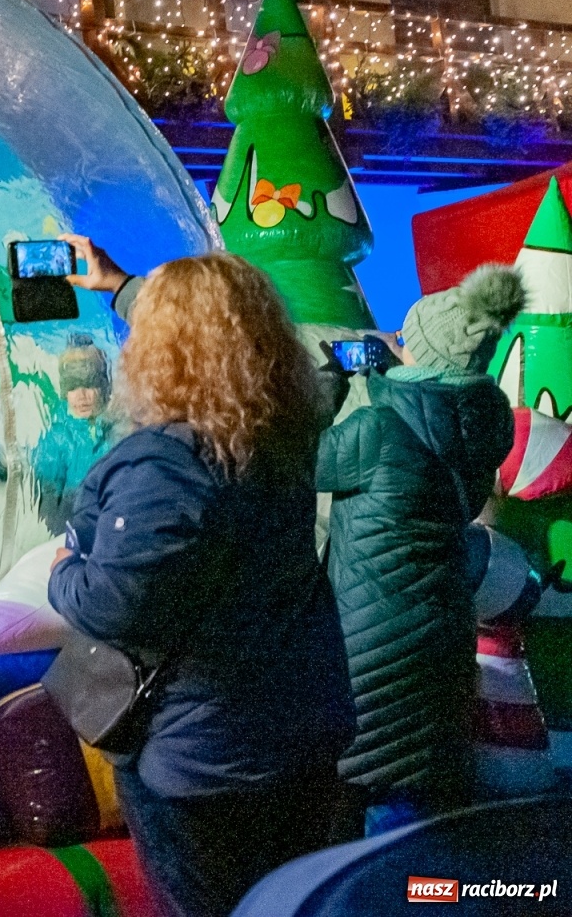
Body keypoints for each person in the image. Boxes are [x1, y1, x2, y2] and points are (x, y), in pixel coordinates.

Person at [49, 253, 355, 917]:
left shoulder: (168, 462)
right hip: (302, 730)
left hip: (206, 761)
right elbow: (224, 341)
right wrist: (124, 286)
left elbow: (113, 605)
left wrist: (63, 573)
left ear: (158, 352)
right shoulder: (285, 429)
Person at [317, 264, 522, 836]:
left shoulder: (378, 429)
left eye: (405, 340)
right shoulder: (481, 426)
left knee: (376, 800)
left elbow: (291, 459)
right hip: (442, 635)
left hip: (369, 648)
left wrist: (333, 377)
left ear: (422, 356)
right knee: (419, 796)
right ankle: (433, 894)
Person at [34, 334, 119, 536]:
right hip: (72, 529)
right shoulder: (57, 438)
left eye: (89, 385)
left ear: (104, 388)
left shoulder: (119, 430)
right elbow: (47, 501)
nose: (81, 396)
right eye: (72, 387)